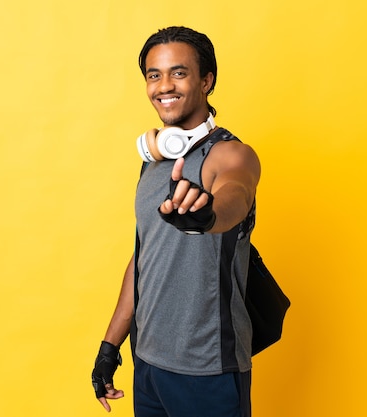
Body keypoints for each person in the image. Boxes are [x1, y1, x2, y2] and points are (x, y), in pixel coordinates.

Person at [91, 26, 261, 417]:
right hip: (147, 363)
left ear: (206, 80)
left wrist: (209, 216)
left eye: (178, 73)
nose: (163, 86)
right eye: (154, 75)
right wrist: (110, 346)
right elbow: (145, 258)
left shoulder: (231, 154)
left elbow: (236, 194)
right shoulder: (153, 165)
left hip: (207, 370)